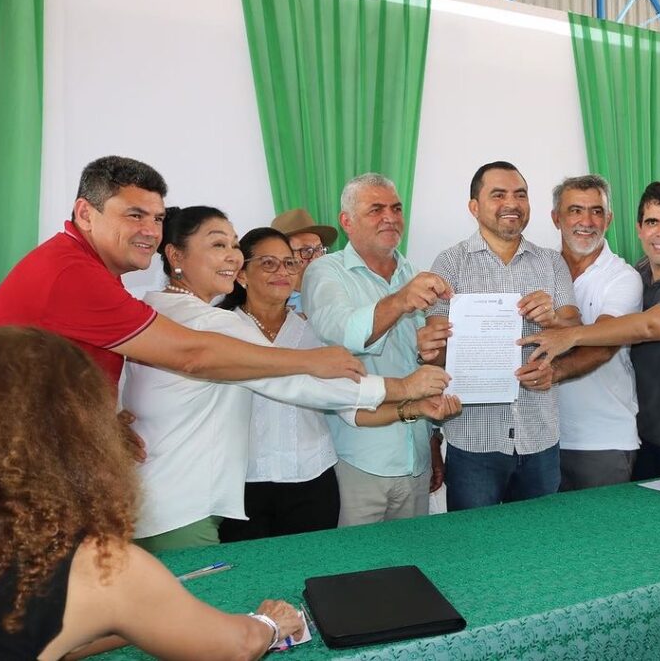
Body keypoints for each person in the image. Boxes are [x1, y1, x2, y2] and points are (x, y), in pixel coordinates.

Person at [0, 156, 368, 462]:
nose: (150, 231)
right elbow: (192, 355)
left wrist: (101, 422)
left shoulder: (93, 271)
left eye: (157, 219)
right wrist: (311, 361)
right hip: (24, 458)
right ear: (86, 213)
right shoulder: (72, 273)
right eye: (134, 215)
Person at [122, 207, 449, 551]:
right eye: (218, 245)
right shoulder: (216, 323)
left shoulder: (153, 310)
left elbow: (125, 384)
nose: (231, 255)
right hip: (192, 501)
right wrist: (404, 387)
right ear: (176, 255)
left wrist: (114, 420)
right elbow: (293, 383)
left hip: (253, 488)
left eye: (233, 245)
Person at [0, 326, 305, 660]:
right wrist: (270, 623)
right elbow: (237, 647)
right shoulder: (101, 565)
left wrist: (142, 618)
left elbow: (50, 636)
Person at [216, 227, 460, 540]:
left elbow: (351, 407)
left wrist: (417, 408)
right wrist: (405, 388)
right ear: (242, 274)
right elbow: (297, 385)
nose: (282, 272)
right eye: (268, 264)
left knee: (322, 565)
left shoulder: (314, 333)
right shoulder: (223, 331)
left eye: (289, 263)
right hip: (243, 483)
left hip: (313, 480)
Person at [520, 181, 660, 477]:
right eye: (653, 222)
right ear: (639, 229)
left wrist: (569, 335)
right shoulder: (641, 270)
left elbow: (648, 326)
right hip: (647, 427)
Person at [419, 161, 580, 510]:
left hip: (539, 436)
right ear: (474, 207)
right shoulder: (450, 263)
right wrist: (431, 346)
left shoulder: (552, 263)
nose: (512, 203)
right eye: (498, 195)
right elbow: (437, 348)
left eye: (520, 194)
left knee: (540, 538)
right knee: (475, 540)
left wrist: (553, 319)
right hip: (474, 440)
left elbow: (574, 330)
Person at [301, 173, 455, 526]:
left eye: (396, 208)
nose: (390, 217)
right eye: (376, 209)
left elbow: (424, 365)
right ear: (346, 221)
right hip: (358, 457)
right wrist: (400, 300)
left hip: (415, 455)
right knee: (354, 559)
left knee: (412, 556)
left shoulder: (413, 273)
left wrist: (434, 352)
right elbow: (342, 333)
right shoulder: (325, 272)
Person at [547, 175, 641, 490]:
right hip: (540, 439)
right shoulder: (537, 270)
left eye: (596, 211)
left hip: (602, 440)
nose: (586, 222)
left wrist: (550, 373)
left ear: (609, 219)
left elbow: (603, 345)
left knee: (602, 524)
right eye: (575, 210)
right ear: (556, 218)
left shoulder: (623, 277)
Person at [270, 208, 337, 313]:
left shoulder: (333, 288)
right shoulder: (272, 302)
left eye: (319, 249)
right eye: (306, 250)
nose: (315, 258)